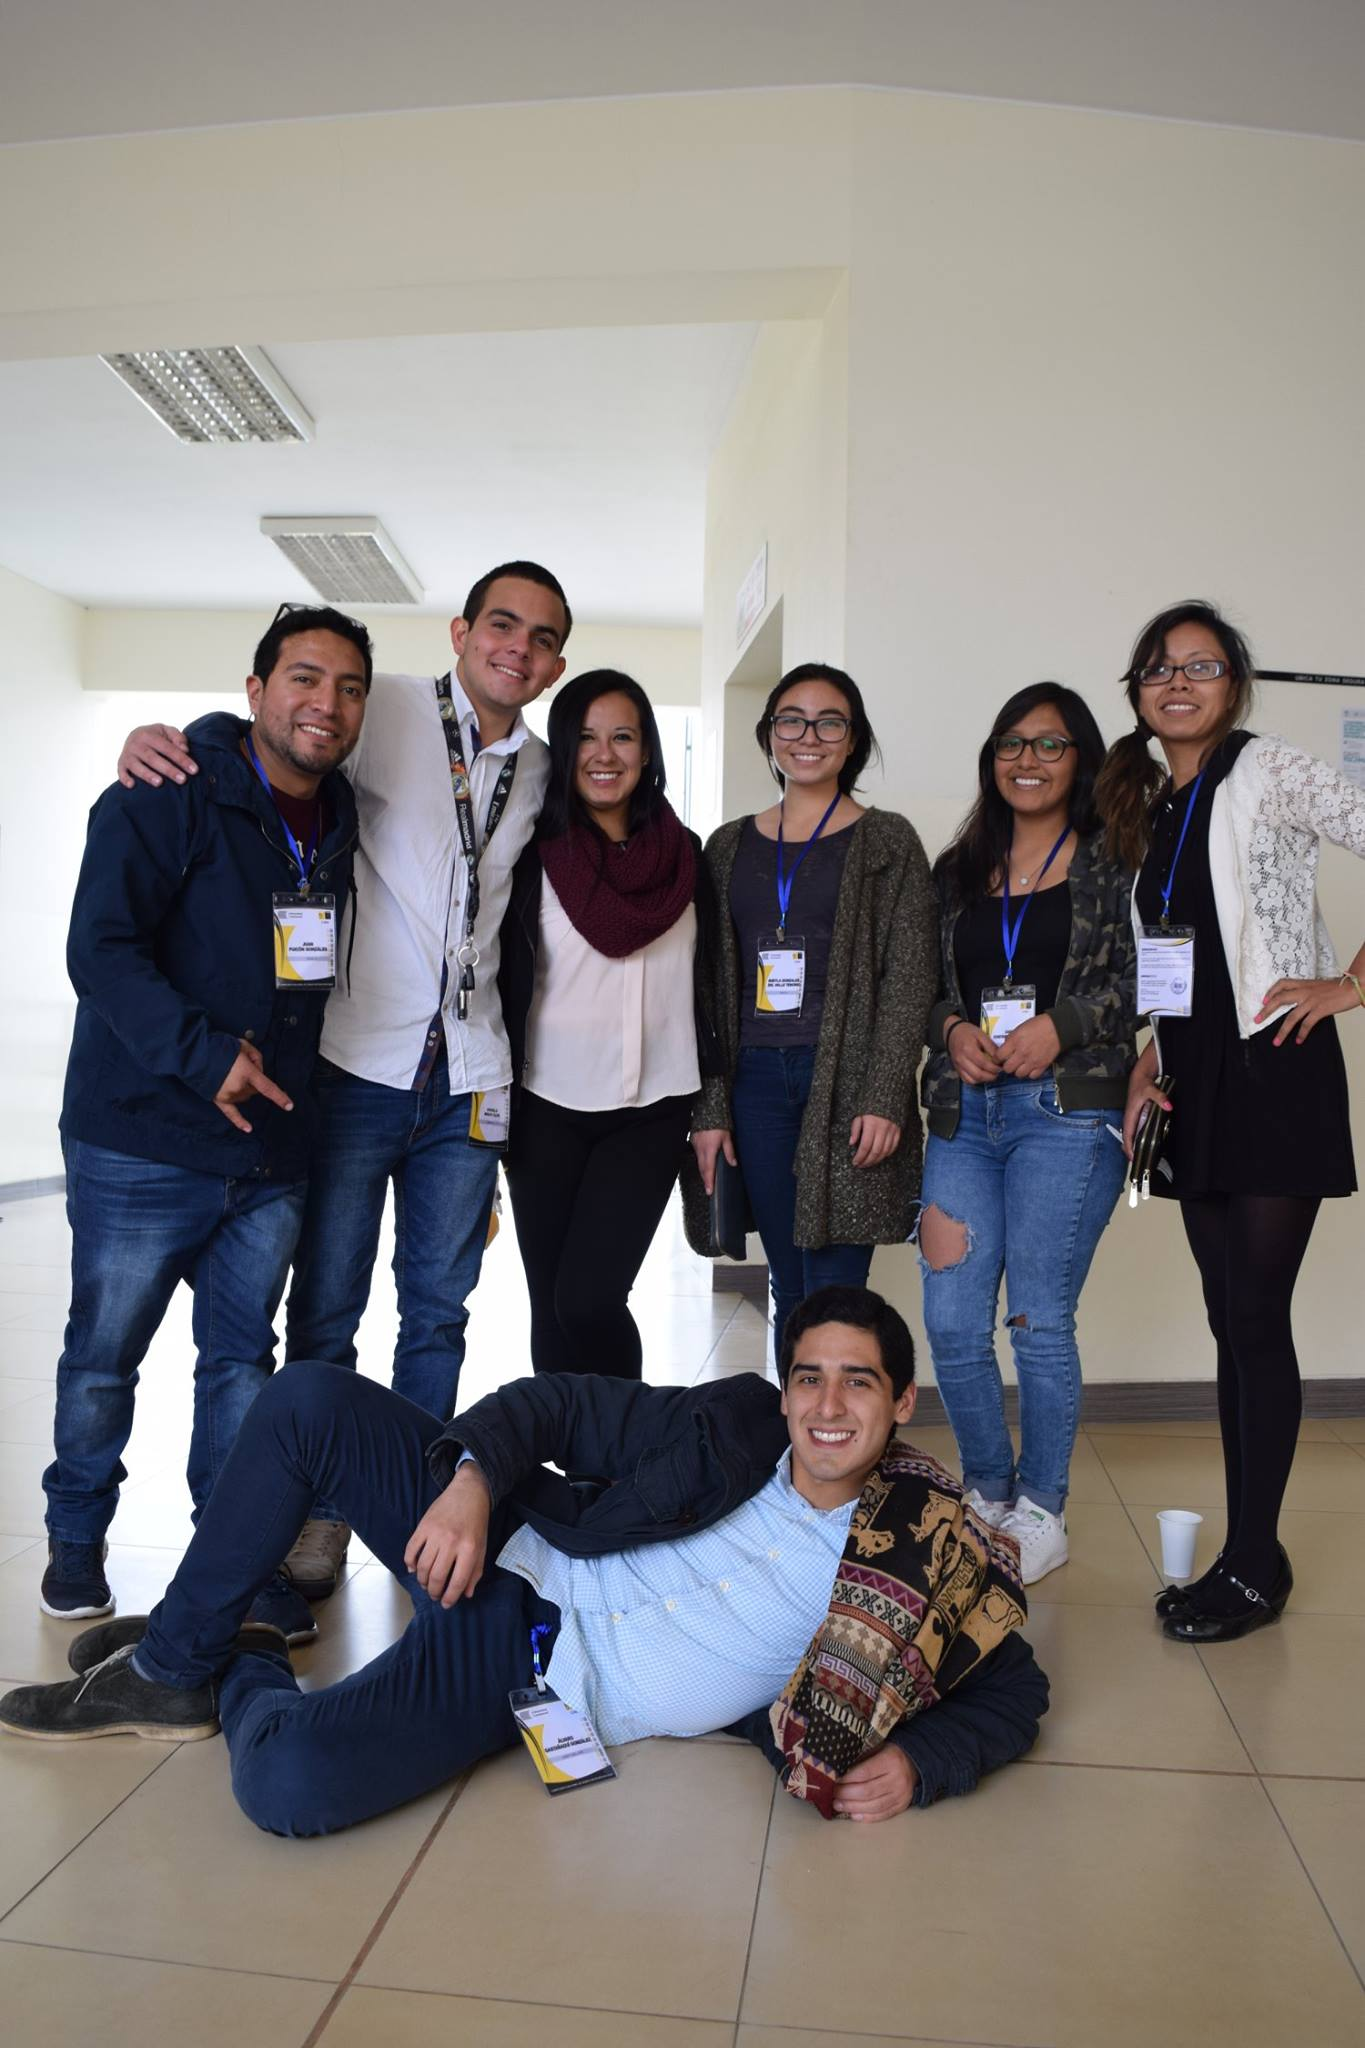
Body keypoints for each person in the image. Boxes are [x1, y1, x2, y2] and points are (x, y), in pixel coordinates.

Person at [0, 1287, 1048, 1839]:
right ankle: (173, 1664)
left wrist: (921, 1763)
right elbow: (559, 1404)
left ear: (901, 1401)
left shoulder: (919, 1557)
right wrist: (468, 1477)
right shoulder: (733, 1422)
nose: (828, 1406)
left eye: (857, 1382)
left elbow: (1016, 1686)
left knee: (286, 1781)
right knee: (308, 1398)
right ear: (783, 1392)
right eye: (809, 1378)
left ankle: (243, 1658)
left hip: (527, 1668)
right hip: (514, 1546)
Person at [116, 562, 570, 1602]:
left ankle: (416, 1510)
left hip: (470, 1074)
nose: (518, 647)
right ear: (461, 632)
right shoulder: (386, 709)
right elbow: (279, 742)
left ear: (553, 664)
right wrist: (171, 737)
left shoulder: (540, 769)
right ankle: (320, 1511)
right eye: (502, 624)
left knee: (439, 1314)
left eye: (542, 637)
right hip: (358, 1063)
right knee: (327, 1308)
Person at [40, 605, 368, 1633]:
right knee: (105, 1356)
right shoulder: (166, 788)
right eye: (304, 677)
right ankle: (76, 1541)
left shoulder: (341, 811)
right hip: (141, 1138)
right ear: (256, 689)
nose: (326, 703)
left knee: (239, 1365)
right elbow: (99, 951)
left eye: (349, 687)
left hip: (267, 1150)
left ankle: (229, 1565)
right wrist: (202, 1054)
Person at [1099, 600, 1365, 1642]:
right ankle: (1250, 1549)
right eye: (1159, 667)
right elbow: (1173, 954)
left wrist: (1350, 984)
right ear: (1138, 690)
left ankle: (1255, 1562)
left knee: (1255, 1317)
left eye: (1200, 665)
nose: (1177, 682)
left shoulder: (1269, 768)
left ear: (1235, 684)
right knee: (1229, 1319)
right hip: (1190, 1080)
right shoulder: (1149, 799)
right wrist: (1145, 1058)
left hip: (1272, 1068)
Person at [918, 685, 1135, 1583]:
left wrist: (1064, 1024)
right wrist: (949, 1030)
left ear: (1080, 759)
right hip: (963, 1115)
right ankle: (986, 1492)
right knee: (951, 1321)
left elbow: (1160, 974)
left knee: (1038, 1320)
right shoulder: (956, 870)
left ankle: (1041, 1510)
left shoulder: (1118, 862)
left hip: (1067, 1114)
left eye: (1049, 744)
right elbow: (921, 988)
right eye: (1011, 743)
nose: (1027, 760)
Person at [686, 664, 937, 1349]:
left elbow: (910, 976)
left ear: (853, 740)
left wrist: (884, 1095)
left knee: (836, 1289)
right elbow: (704, 985)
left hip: (849, 1084)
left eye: (830, 723)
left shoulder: (887, 841)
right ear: (769, 734)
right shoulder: (727, 846)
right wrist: (710, 1107)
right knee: (789, 1285)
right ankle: (794, 1417)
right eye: (791, 721)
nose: (808, 737)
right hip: (755, 1083)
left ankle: (836, 1416)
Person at [498, 670, 716, 1376]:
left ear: (647, 750)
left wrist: (715, 1104)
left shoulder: (688, 856)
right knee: (550, 1306)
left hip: (652, 1108)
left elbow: (710, 987)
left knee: (589, 1300)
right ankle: (571, 1448)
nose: (604, 754)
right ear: (564, 751)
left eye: (622, 736)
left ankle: (631, 1436)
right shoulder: (533, 853)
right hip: (546, 1105)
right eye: (586, 737)